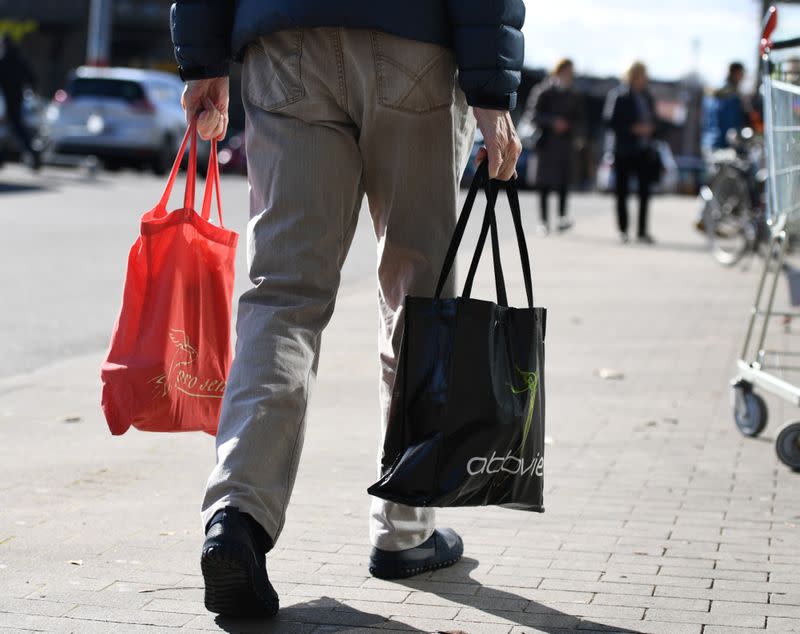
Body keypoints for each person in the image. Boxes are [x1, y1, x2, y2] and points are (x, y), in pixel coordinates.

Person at [170, 0, 525, 618]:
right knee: (420, 300)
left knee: (282, 292)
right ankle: (404, 529)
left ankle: (237, 518)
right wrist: (493, 91)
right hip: (415, 43)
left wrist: (203, 59)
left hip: (285, 42)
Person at [523, 58, 584, 235]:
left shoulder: (574, 94)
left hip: (565, 144)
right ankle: (543, 221)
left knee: (564, 182)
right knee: (544, 184)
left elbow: (580, 120)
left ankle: (562, 217)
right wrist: (552, 122)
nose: (568, 76)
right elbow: (532, 115)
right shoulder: (543, 91)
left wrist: (570, 127)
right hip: (546, 143)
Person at [603, 61, 660, 245]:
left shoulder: (648, 96)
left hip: (644, 150)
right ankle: (623, 230)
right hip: (624, 150)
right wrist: (632, 128)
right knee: (622, 192)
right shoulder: (619, 95)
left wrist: (652, 128)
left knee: (645, 192)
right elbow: (609, 121)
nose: (645, 79)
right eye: (642, 75)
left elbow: (656, 120)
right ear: (633, 76)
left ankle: (642, 231)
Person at [0, 35, 40, 170]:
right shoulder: (19, 60)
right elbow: (32, 78)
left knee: (13, 129)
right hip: (17, 100)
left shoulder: (4, 61)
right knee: (14, 130)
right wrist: (31, 90)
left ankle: (33, 154)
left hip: (6, 102)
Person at [702, 62, 748, 152]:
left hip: (709, 143)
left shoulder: (711, 95)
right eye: (741, 74)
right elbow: (730, 124)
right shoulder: (731, 98)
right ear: (735, 73)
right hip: (724, 145)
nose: (743, 78)